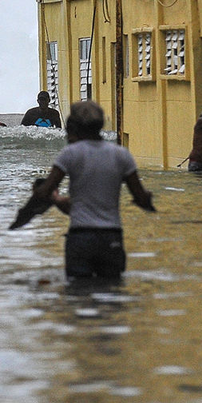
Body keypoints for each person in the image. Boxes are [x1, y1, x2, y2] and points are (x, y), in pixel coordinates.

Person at [33, 101, 155, 279]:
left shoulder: (70, 154)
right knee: (112, 292)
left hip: (80, 235)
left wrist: (56, 198)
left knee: (79, 292)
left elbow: (45, 192)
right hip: (111, 236)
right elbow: (142, 199)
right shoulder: (121, 154)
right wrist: (147, 198)